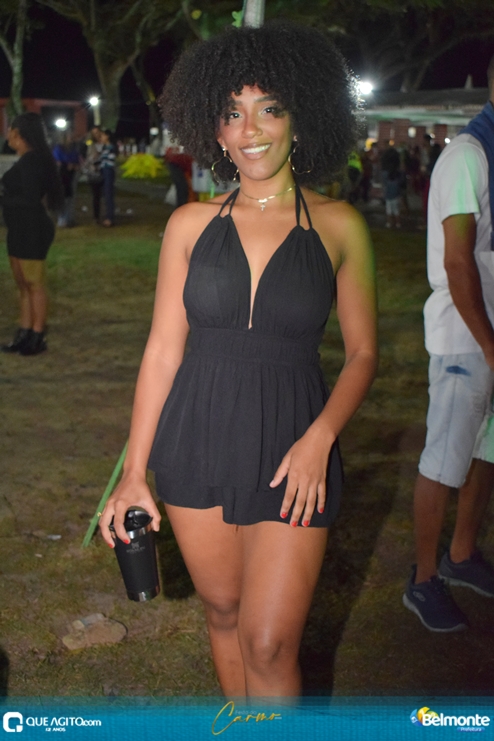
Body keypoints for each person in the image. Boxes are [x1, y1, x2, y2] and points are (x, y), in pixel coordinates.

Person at [99, 22, 377, 697]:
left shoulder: (340, 225)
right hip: (195, 438)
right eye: (231, 113)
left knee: (270, 642)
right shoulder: (189, 225)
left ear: (299, 119)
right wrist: (133, 474)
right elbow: (163, 350)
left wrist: (320, 438)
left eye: (269, 108)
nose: (250, 129)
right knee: (223, 613)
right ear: (214, 132)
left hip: (293, 447)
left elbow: (364, 353)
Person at [403, 57, 494, 633]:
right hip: (466, 337)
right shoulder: (468, 154)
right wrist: (489, 346)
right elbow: (458, 263)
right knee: (445, 460)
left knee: (487, 453)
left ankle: (461, 555)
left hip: (487, 332)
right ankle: (422, 578)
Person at [1, 112, 63, 356]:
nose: (7, 134)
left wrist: (3, 198)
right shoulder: (27, 159)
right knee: (22, 284)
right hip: (18, 227)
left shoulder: (33, 161)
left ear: (18, 133)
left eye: (10, 129)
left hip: (31, 228)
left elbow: (29, 199)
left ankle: (37, 335)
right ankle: (24, 332)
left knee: (34, 283)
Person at [52, 132, 80, 227]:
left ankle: (68, 218)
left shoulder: (73, 149)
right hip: (62, 175)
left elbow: (76, 160)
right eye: (69, 137)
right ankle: (62, 219)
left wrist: (74, 165)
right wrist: (67, 164)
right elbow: (58, 161)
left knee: (70, 197)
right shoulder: (58, 149)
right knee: (63, 196)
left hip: (71, 175)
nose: (71, 139)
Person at [84, 126, 103, 222]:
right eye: (94, 133)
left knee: (104, 194)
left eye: (97, 132)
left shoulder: (104, 144)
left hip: (103, 171)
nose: (96, 135)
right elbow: (87, 158)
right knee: (96, 195)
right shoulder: (90, 145)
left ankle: (107, 214)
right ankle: (96, 216)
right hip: (93, 172)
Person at [98, 129, 116, 227]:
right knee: (106, 193)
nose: (101, 137)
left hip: (108, 171)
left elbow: (110, 160)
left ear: (107, 136)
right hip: (105, 171)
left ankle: (110, 218)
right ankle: (108, 216)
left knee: (108, 193)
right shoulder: (105, 147)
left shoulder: (110, 147)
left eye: (103, 135)